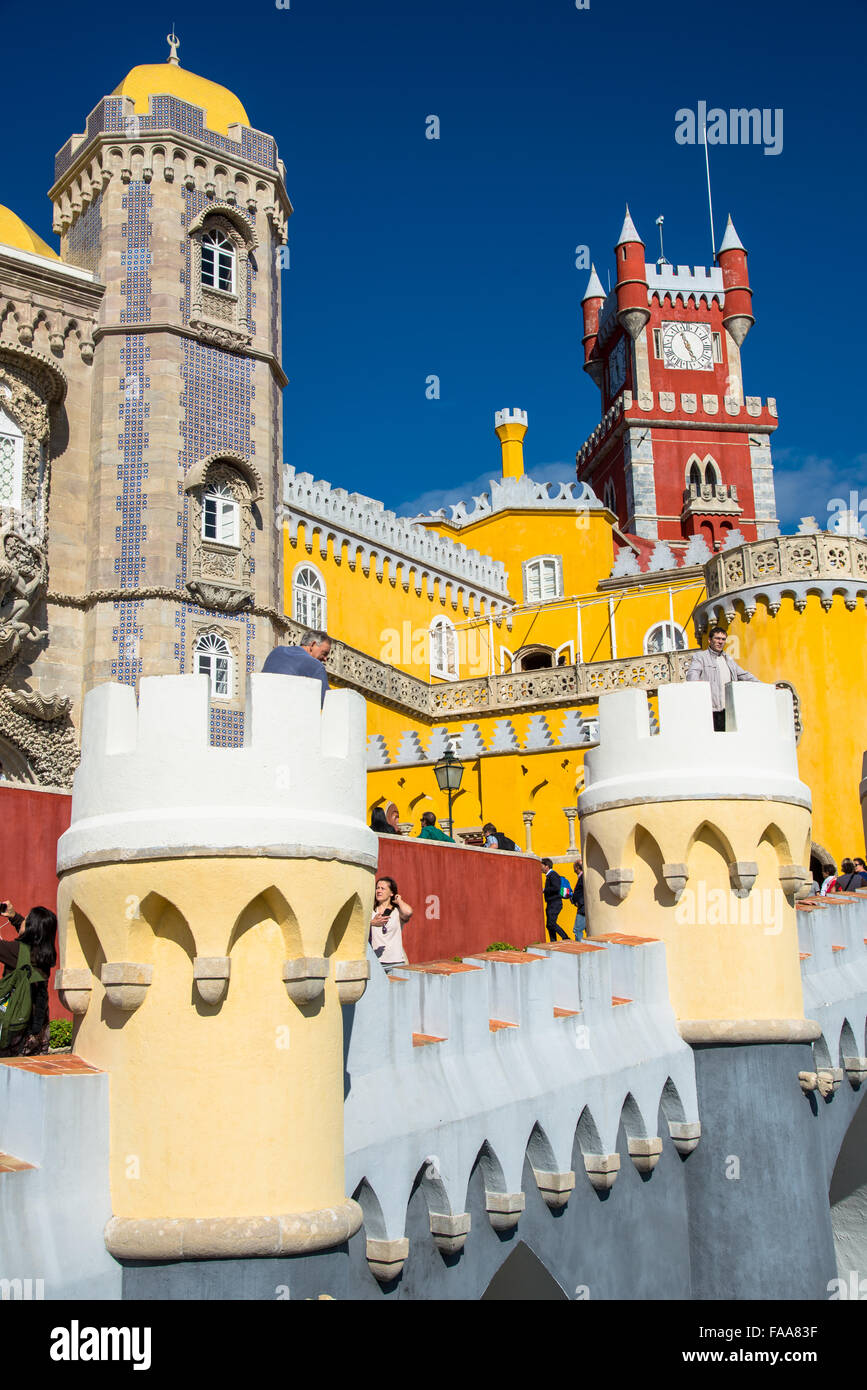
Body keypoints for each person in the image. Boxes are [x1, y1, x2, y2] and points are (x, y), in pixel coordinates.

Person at [0, 901, 57, 1056]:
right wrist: (13, 917)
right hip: (38, 1026)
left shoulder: (17, 951)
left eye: (26, 919)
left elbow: (21, 944)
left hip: (15, 1024)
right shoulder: (46, 953)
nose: (22, 920)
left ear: (31, 928)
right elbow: (32, 937)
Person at [686, 625, 760, 731]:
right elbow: (692, 674)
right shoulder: (700, 657)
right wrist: (696, 682)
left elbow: (744, 675)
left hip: (729, 709)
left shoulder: (728, 659)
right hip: (711, 709)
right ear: (709, 640)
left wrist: (764, 684)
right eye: (717, 638)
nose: (720, 642)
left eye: (723, 639)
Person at [261, 630, 332, 706]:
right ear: (313, 645)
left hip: (263, 705)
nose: (325, 659)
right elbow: (327, 701)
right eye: (324, 653)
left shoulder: (277, 651)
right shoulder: (315, 665)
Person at [369, 877, 413, 967]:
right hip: (376, 962)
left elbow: (408, 912)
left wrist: (399, 900)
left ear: (391, 893)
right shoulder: (371, 911)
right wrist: (372, 923)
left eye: (383, 888)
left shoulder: (397, 912)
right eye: (377, 888)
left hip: (395, 961)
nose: (378, 891)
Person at [540, 859, 569, 942]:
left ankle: (565, 937)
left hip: (554, 903)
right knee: (549, 925)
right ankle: (553, 941)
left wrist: (544, 890)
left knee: (551, 923)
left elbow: (556, 888)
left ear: (547, 866)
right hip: (551, 903)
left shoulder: (553, 875)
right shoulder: (550, 875)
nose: (540, 868)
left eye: (542, 866)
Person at [572, 856, 586, 939]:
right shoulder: (582, 877)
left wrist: (579, 902)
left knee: (577, 930)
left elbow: (584, 891)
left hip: (582, 908)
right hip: (583, 907)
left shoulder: (582, 877)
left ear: (577, 867)